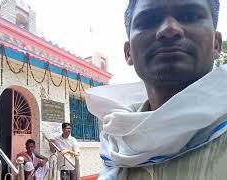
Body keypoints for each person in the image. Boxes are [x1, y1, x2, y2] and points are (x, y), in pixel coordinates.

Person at [85, 0, 226, 179]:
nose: (169, 28)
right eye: (149, 20)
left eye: (189, 16)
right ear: (128, 53)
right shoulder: (117, 144)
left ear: (216, 43)